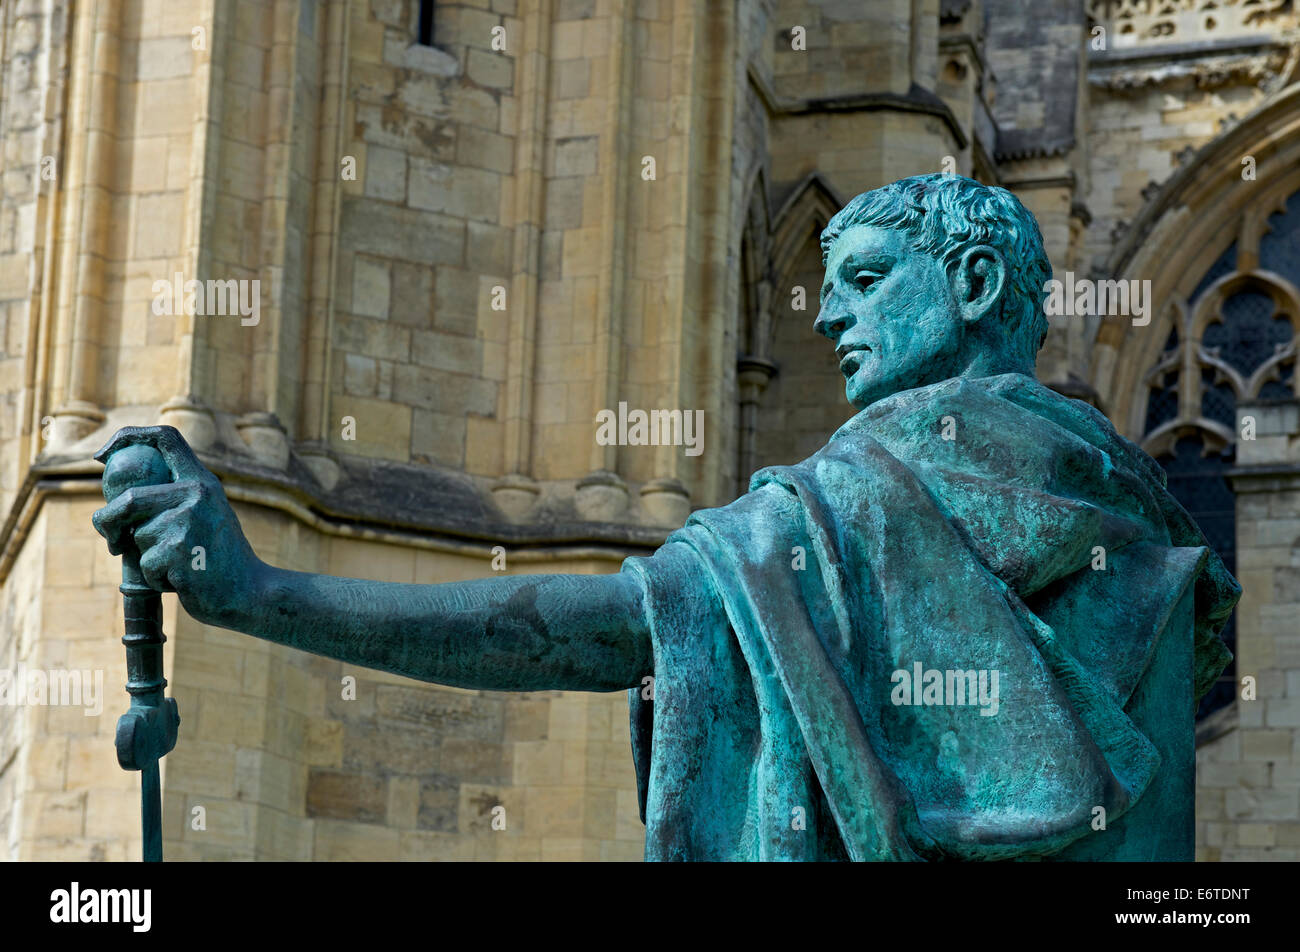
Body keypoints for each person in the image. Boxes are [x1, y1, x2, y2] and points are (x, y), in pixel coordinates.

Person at [93, 174, 1238, 861]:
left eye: (871, 279)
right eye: (826, 279)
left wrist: (264, 593)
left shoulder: (881, 492)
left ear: (978, 286)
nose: (828, 313)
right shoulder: (1123, 494)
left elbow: (608, 624)